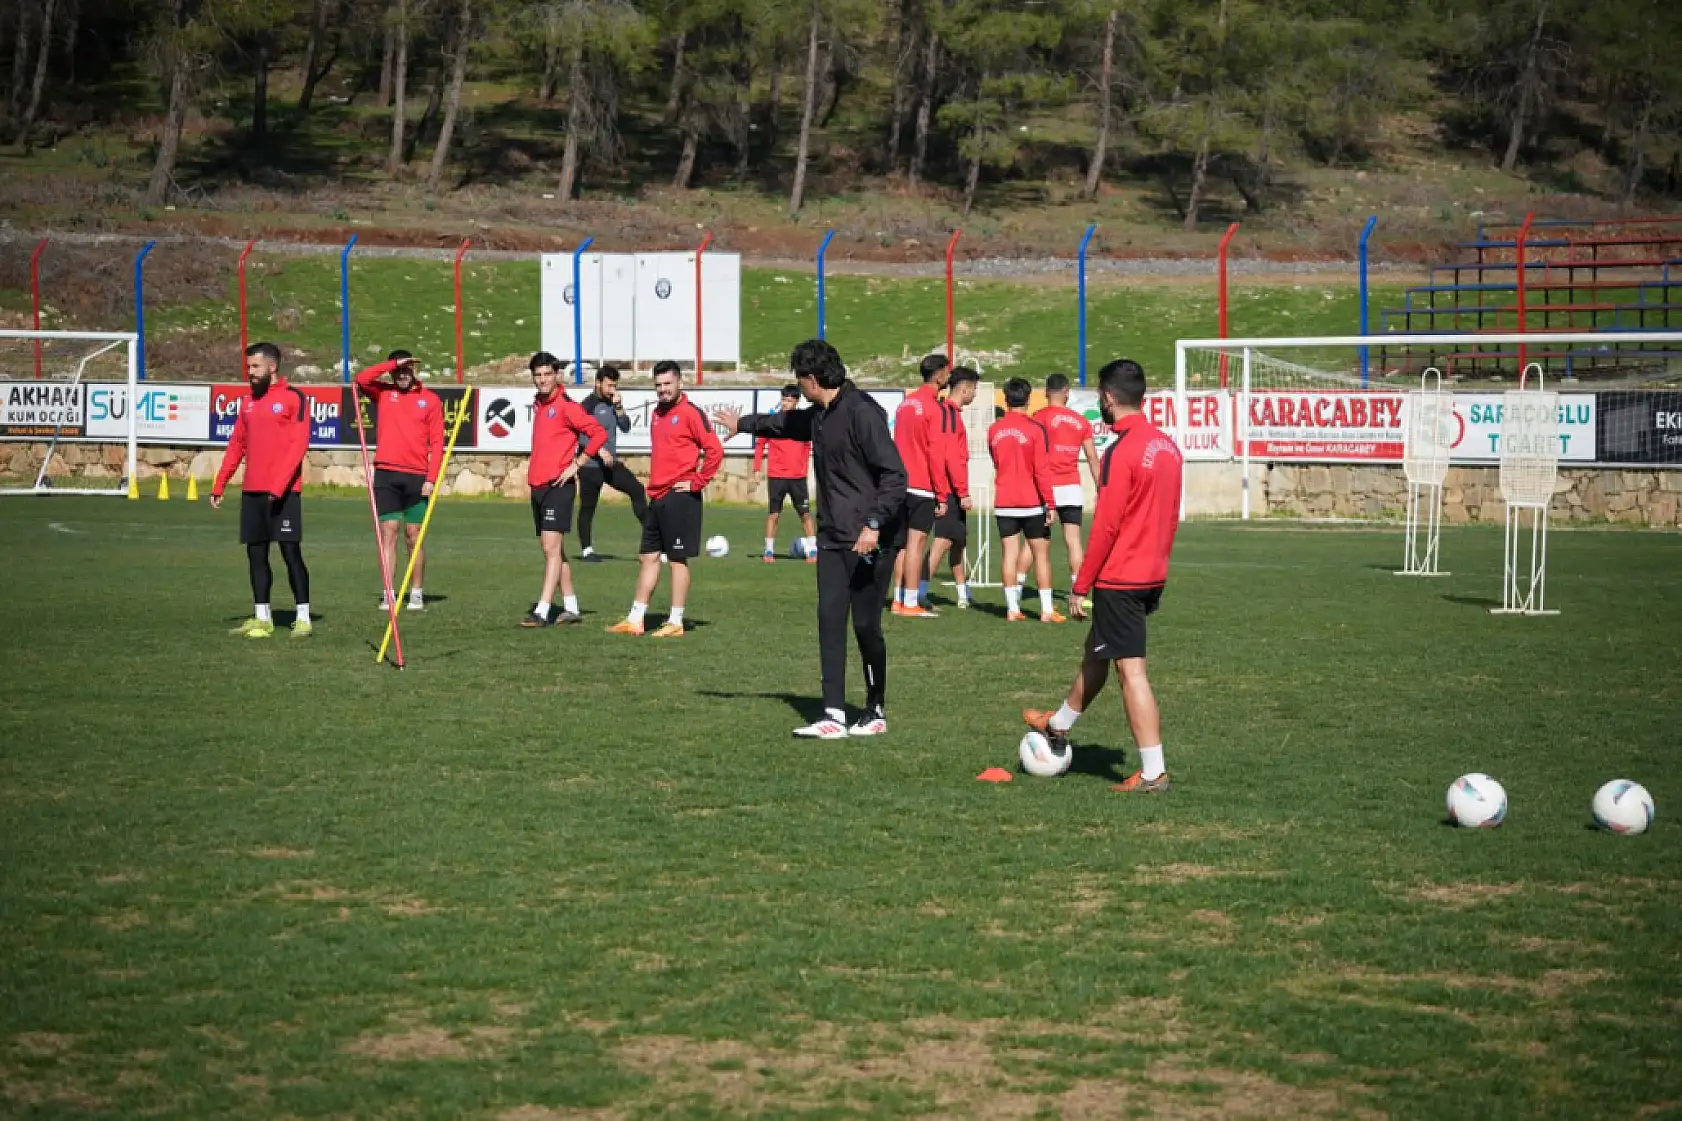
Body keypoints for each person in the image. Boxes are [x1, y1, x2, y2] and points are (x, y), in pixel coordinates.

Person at [714, 339, 906, 738]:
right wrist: (742, 424)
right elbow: (784, 424)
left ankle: (875, 708)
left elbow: (894, 476)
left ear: (812, 379)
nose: (798, 388)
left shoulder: (863, 413)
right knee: (829, 619)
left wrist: (873, 525)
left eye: (799, 380)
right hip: (833, 535)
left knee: (866, 625)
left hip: (871, 537)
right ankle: (833, 713)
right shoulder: (818, 414)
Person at [1023, 359, 1184, 793]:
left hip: (1122, 577)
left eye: (1100, 397)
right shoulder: (1168, 447)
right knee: (1097, 651)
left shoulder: (1122, 451)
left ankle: (1153, 772)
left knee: (1131, 672)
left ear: (1109, 398)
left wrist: (1079, 586)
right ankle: (1057, 724)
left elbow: (1108, 526)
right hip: (1149, 573)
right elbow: (1170, 518)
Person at [606, 360, 723, 638]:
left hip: (680, 498)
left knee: (677, 559)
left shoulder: (691, 413)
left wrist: (697, 481)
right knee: (647, 557)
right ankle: (636, 619)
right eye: (658, 385)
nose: (662, 390)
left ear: (680, 383)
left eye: (667, 384)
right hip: (657, 496)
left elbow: (715, 450)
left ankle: (676, 621)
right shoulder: (658, 413)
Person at [211, 342, 314, 639]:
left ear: (272, 367)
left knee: (290, 552)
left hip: (284, 493)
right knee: (256, 556)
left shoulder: (294, 398)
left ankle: (303, 617)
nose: (250, 373)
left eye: (255, 367)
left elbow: (298, 446)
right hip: (252, 491)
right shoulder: (247, 402)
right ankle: (262, 617)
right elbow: (236, 446)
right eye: (248, 367)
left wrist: (278, 486)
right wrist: (220, 483)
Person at [353, 349, 444, 612]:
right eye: (398, 370)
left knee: (413, 536)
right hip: (386, 474)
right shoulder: (383, 393)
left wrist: (432, 477)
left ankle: (416, 592)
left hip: (416, 476)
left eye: (407, 370)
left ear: (413, 371)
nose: (402, 374)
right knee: (388, 533)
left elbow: (437, 443)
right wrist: (392, 362)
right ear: (392, 371)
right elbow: (361, 379)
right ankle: (388, 593)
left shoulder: (430, 400)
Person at [522, 351, 607, 627]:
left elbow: (598, 434)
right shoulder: (540, 404)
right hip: (538, 485)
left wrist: (577, 464)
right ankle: (571, 607)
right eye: (538, 375)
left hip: (559, 486)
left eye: (547, 374)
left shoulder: (567, 406)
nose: (543, 380)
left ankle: (542, 610)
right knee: (553, 551)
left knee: (551, 547)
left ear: (557, 375)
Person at [988, 377, 1064, 624]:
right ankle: (1046, 610)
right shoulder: (1035, 429)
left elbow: (996, 460)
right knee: (1041, 555)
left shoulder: (994, 430)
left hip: (1005, 501)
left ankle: (1012, 609)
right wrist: (1050, 504)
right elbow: (1041, 469)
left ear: (1006, 399)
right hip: (1031, 501)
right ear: (1029, 399)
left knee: (1009, 554)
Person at [890, 353, 950, 617]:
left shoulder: (905, 404)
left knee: (902, 545)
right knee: (917, 544)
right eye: (947, 372)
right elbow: (935, 453)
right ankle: (912, 603)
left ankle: (897, 600)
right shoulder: (934, 408)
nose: (948, 377)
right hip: (922, 484)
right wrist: (942, 493)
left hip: (900, 483)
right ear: (938, 376)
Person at [1036, 372, 1103, 603]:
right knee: (1073, 541)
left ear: (1046, 392)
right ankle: (1079, 592)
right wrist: (1101, 489)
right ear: (1066, 392)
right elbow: (1093, 458)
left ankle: (1017, 587)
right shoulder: (1080, 421)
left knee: (1034, 541)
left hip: (1046, 487)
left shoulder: (1038, 418)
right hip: (1071, 486)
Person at [575, 364, 647, 562]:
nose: (612, 390)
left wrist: (619, 407)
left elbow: (625, 427)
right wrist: (598, 449)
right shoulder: (587, 406)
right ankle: (587, 550)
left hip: (610, 464)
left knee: (638, 490)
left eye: (614, 385)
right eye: (608, 385)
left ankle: (653, 544)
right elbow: (580, 436)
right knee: (588, 507)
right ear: (598, 383)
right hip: (590, 465)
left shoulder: (612, 403)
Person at [924, 367, 978, 609]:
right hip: (948, 490)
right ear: (964, 389)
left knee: (958, 543)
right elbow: (949, 458)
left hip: (952, 489)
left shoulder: (953, 414)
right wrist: (961, 491)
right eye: (974, 389)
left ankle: (962, 594)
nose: (975, 394)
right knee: (943, 542)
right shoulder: (947, 414)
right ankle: (919, 592)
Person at [753, 383, 818, 563]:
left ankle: (813, 551)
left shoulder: (803, 423)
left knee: (805, 514)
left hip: (797, 477)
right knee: (774, 514)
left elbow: (812, 446)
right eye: (784, 399)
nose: (786, 403)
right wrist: (757, 469)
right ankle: (768, 551)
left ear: (796, 402)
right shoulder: (773, 422)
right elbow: (759, 444)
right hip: (777, 476)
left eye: (790, 400)